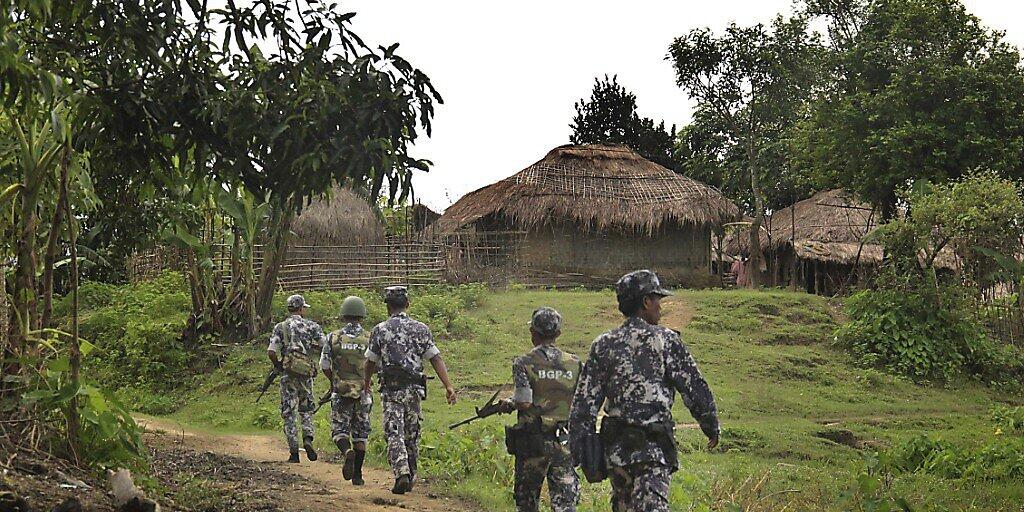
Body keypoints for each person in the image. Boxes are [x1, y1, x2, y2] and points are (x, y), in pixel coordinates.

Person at [568, 270, 720, 512]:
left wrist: (580, 451)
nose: (661, 306)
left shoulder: (603, 344)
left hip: (616, 455)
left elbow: (584, 406)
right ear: (646, 302)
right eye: (657, 299)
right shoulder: (666, 340)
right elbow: (694, 388)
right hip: (653, 452)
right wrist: (710, 424)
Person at [363, 286, 458, 495]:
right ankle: (411, 474)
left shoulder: (380, 329)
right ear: (408, 304)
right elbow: (435, 358)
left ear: (388, 307)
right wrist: (448, 385)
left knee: (393, 431)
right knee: (412, 433)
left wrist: (366, 382)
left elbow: (370, 361)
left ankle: (402, 473)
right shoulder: (421, 329)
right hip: (414, 389)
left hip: (391, 390)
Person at [497, 307, 581, 512]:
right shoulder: (575, 363)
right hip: (564, 440)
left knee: (527, 501)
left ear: (533, 332)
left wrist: (509, 403)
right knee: (565, 502)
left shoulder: (524, 363)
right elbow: (581, 402)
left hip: (533, 442)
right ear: (558, 333)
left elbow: (524, 402)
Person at [320, 295, 372, 485]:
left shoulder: (333, 337)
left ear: (343, 315)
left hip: (340, 391)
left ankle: (346, 451)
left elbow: (324, 365)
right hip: (364, 392)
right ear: (361, 315)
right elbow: (376, 364)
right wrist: (367, 381)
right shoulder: (369, 338)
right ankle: (358, 476)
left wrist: (334, 380)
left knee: (339, 431)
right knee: (361, 434)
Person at [267, 294, 325, 463]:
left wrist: (279, 365)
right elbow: (324, 345)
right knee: (306, 409)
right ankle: (308, 438)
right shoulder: (312, 326)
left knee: (289, 413)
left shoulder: (280, 327)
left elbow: (271, 352)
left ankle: (294, 453)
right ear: (301, 309)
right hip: (306, 374)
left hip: (287, 375)